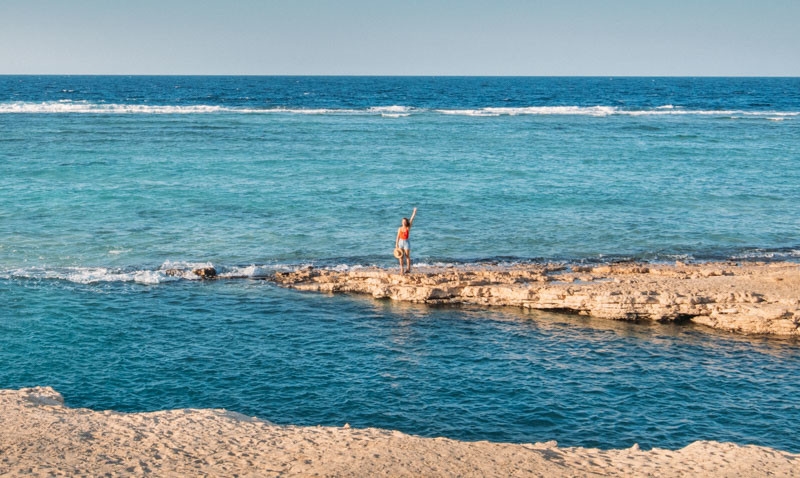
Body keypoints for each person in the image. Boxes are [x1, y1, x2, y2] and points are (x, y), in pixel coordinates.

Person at [395, 207, 417, 274]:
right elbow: (398, 237)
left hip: (406, 242)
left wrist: (414, 212)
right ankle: (401, 269)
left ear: (406, 222)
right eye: (402, 221)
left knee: (407, 256)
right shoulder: (400, 228)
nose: (403, 222)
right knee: (400, 257)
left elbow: (412, 219)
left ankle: (408, 269)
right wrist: (396, 244)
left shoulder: (408, 228)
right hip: (400, 242)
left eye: (404, 221)